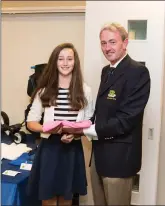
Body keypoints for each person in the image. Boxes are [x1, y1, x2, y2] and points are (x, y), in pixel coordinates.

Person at [63, 23, 151, 205]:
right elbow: (101, 112)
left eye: (112, 42)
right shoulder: (107, 71)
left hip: (119, 159)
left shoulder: (138, 72)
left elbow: (126, 120)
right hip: (99, 156)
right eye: (103, 43)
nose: (107, 48)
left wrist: (87, 130)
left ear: (125, 43)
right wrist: (78, 129)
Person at [26, 43, 93, 206]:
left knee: (66, 199)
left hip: (72, 150)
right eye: (60, 59)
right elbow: (30, 122)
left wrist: (76, 133)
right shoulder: (44, 90)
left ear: (75, 62)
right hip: (49, 149)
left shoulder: (85, 90)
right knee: (47, 199)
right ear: (54, 63)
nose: (65, 63)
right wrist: (46, 128)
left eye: (69, 59)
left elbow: (89, 122)